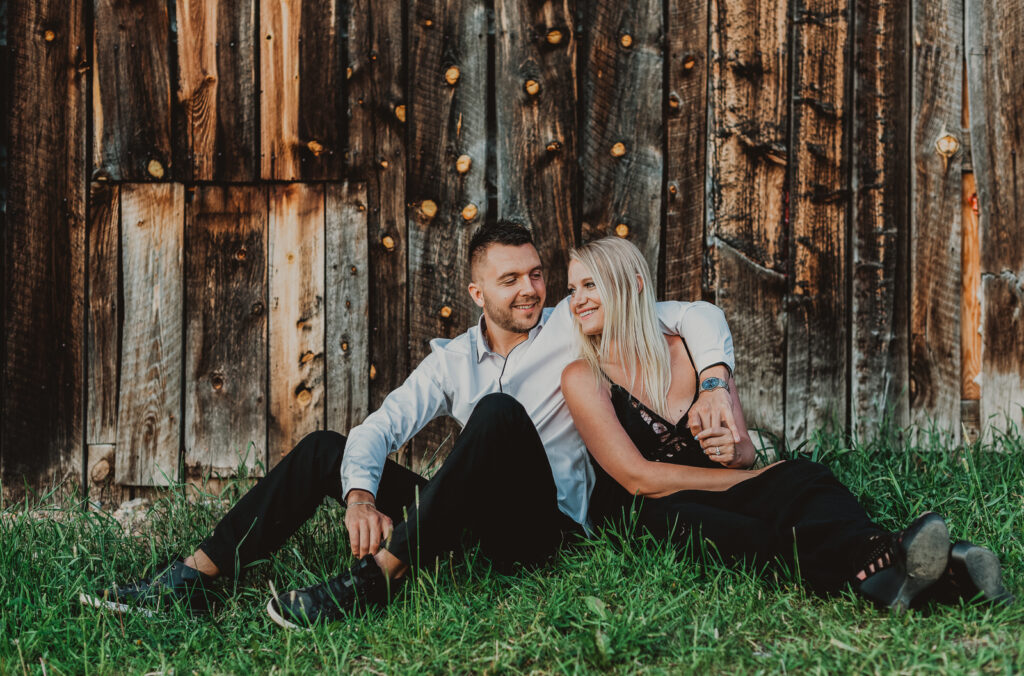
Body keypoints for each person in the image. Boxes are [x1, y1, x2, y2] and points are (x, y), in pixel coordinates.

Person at [80, 221, 742, 628]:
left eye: (537, 274)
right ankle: (195, 579)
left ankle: (378, 580)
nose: (531, 290)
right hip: (464, 520)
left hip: (544, 529)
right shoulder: (453, 359)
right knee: (325, 449)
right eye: (510, 279)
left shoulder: (573, 324)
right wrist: (361, 495)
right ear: (477, 293)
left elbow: (694, 314)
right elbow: (380, 427)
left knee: (498, 414)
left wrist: (713, 380)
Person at [560, 236, 1014, 612]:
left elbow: (744, 454)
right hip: (650, 511)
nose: (577, 300)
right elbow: (636, 479)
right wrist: (751, 482)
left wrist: (734, 454)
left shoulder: (692, 349)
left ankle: (892, 569)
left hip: (725, 483)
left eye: (589, 285)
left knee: (807, 477)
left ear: (634, 285)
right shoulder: (583, 375)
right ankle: (931, 571)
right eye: (572, 289)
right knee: (744, 531)